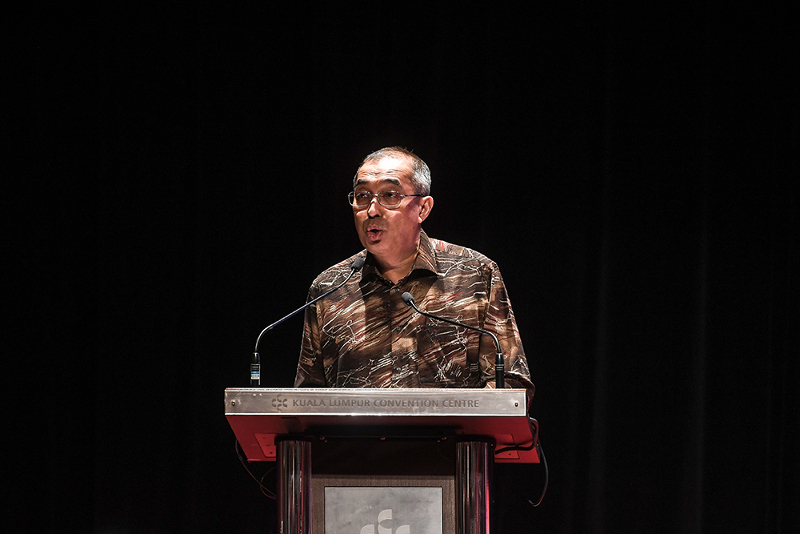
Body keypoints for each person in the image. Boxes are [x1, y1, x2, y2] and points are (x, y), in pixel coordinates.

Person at [294, 147, 534, 399]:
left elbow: (510, 384)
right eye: (362, 195)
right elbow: (308, 398)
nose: (372, 210)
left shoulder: (474, 274)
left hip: (451, 438)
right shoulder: (329, 287)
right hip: (356, 439)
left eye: (390, 195)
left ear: (423, 209)